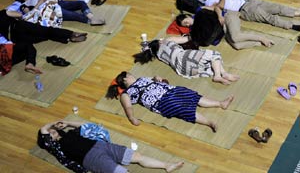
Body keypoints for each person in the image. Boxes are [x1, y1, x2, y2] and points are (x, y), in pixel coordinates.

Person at [106, 71, 235, 132]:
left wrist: (157, 78)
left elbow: (158, 79)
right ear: (126, 79)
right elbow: (128, 107)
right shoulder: (126, 93)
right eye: (129, 74)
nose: (132, 74)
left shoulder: (142, 78)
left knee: (192, 95)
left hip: (170, 89)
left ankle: (220, 103)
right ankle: (209, 122)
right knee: (183, 109)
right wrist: (132, 118)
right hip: (160, 101)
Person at [38, 120, 184, 173]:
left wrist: (66, 122)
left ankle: (166, 165)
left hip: (101, 146)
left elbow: (86, 125)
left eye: (53, 130)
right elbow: (44, 129)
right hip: (91, 158)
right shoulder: (54, 147)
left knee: (137, 157)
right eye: (50, 133)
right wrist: (51, 124)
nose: (52, 131)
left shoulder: (68, 134)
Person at [0, 9, 87, 74]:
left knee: (38, 40)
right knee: (46, 31)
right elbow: (19, 15)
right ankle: (71, 35)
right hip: (18, 26)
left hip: (13, 38)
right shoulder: (2, 13)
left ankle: (30, 64)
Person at [133, 36, 240, 85]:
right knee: (214, 54)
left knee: (208, 64)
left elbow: (147, 49)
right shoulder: (167, 40)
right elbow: (186, 39)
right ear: (159, 42)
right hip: (183, 56)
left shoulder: (158, 55)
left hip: (180, 68)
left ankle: (220, 74)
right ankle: (221, 74)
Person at [176, 11, 275, 50]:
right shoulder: (194, 30)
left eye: (186, 22)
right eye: (185, 25)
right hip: (224, 32)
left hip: (227, 18)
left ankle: (262, 38)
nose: (188, 24)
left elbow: (217, 7)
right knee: (237, 46)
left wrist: (219, 16)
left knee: (235, 38)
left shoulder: (200, 13)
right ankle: (258, 43)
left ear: (188, 16)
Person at [14, 0, 105, 25]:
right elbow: (29, 14)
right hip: (48, 9)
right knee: (73, 15)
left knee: (80, 3)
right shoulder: (24, 5)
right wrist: (39, 3)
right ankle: (89, 21)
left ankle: (91, 17)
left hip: (57, 2)